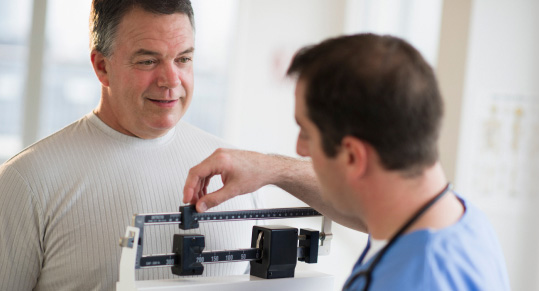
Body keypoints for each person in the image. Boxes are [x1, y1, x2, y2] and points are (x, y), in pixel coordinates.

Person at [183, 34, 511, 290]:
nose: (299, 148)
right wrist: (270, 168)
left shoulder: (417, 280)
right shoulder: (457, 222)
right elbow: (365, 203)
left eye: (305, 131)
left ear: (353, 156)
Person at [0, 1, 262, 290]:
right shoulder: (25, 181)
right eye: (148, 61)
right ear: (102, 67)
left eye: (183, 59)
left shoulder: (236, 176)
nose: (171, 80)